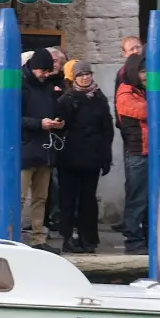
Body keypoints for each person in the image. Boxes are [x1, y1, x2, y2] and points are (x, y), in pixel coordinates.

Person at [56, 60, 111, 254]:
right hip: (70, 157)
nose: (85, 77)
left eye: (88, 74)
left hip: (92, 156)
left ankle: (88, 238)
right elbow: (60, 128)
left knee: (88, 199)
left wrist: (106, 156)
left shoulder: (99, 98)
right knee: (68, 198)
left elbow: (107, 129)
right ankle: (67, 237)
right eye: (81, 75)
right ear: (74, 78)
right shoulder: (67, 99)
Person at [19, 50, 62, 250]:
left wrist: (56, 122)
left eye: (48, 71)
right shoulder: (21, 85)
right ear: (33, 67)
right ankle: (13, 238)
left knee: (40, 198)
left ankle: (39, 239)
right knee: (18, 197)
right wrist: (39, 124)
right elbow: (13, 117)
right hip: (26, 148)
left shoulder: (47, 87)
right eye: (42, 70)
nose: (45, 74)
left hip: (44, 148)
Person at [115, 53, 149, 253]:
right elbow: (145, 111)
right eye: (143, 72)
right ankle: (133, 240)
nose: (146, 76)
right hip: (137, 153)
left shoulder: (141, 92)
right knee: (136, 199)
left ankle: (142, 238)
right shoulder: (125, 93)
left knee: (146, 199)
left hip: (146, 152)